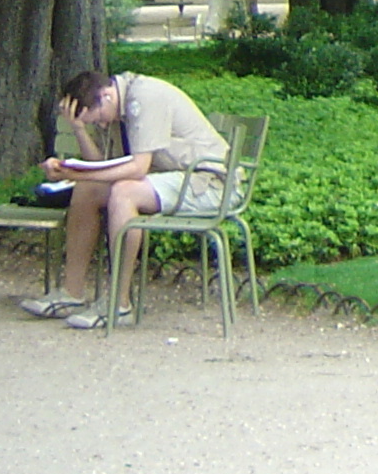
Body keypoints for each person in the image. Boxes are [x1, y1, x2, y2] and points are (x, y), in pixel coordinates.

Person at [20, 67, 230, 328]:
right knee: (88, 190)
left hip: (207, 182)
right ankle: (71, 294)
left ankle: (119, 305)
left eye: (97, 119)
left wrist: (79, 174)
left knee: (124, 192)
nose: (102, 125)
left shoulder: (144, 97)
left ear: (106, 95)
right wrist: (77, 137)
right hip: (171, 178)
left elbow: (138, 168)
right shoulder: (116, 106)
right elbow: (101, 166)